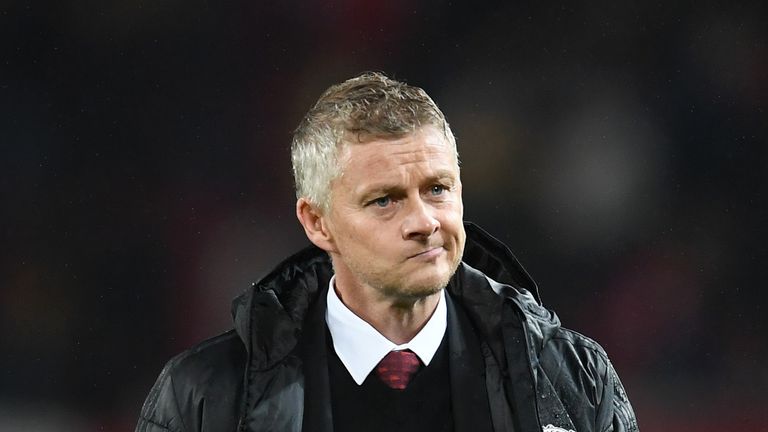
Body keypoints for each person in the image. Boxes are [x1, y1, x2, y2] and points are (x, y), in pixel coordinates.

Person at [136, 72, 638, 432]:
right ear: (317, 223)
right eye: (385, 200)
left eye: (438, 189)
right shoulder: (206, 395)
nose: (423, 222)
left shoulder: (570, 379)